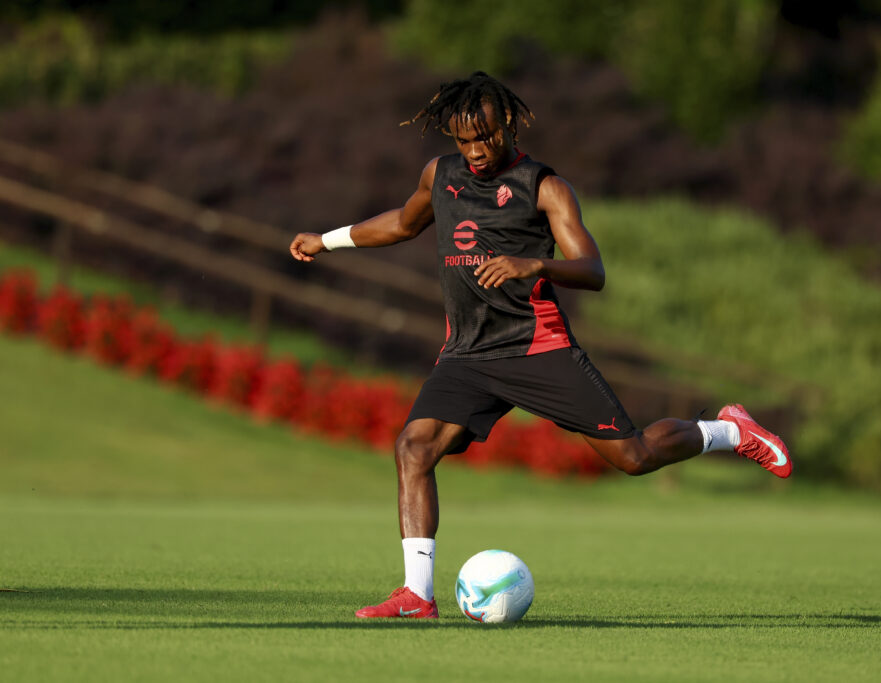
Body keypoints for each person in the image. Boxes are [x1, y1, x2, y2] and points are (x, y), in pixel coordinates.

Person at [289, 72, 791, 620]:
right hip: (468, 354)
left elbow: (592, 270)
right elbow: (403, 224)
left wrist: (534, 264)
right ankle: (417, 595)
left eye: (485, 137)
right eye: (464, 140)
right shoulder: (440, 174)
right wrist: (327, 240)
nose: (476, 151)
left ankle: (730, 430)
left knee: (634, 457)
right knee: (414, 448)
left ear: (507, 124)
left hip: (537, 347)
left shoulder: (544, 187)